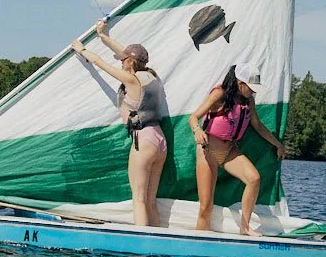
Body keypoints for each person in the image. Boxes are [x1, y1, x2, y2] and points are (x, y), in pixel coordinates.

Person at [71, 20, 170, 228]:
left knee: (139, 199)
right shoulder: (152, 76)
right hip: (160, 140)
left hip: (143, 140)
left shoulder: (131, 80)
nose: (121, 62)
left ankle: (141, 244)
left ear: (130, 62)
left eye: (123, 60)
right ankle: (157, 242)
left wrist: (81, 49)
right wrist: (103, 36)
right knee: (150, 201)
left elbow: (99, 62)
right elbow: (125, 52)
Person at [189, 65, 284, 235]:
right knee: (206, 206)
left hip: (229, 151)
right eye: (251, 88)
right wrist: (197, 130)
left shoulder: (248, 101)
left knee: (254, 178)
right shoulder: (219, 94)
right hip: (208, 151)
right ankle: (199, 244)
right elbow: (193, 117)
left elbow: (257, 125)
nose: (253, 92)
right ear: (240, 84)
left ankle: (245, 227)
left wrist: (278, 144)